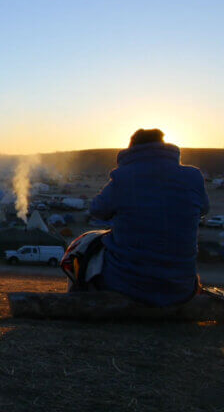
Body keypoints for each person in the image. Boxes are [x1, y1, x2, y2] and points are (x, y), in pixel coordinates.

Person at [88, 129, 210, 306]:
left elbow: (97, 209)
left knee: (84, 250)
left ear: (132, 148)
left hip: (126, 285)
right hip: (180, 288)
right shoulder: (193, 176)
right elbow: (204, 209)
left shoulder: (123, 177)